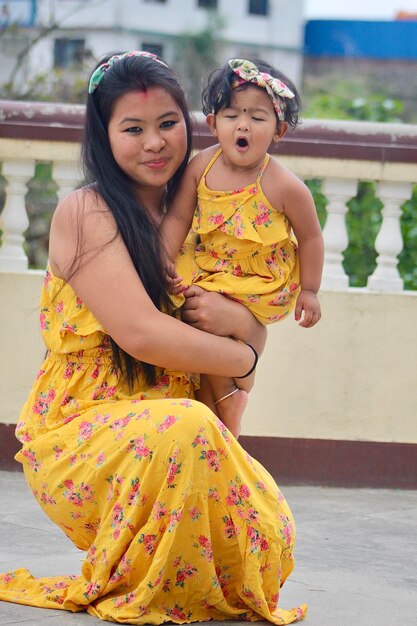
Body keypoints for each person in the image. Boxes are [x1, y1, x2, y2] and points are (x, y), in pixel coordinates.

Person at [0, 51, 307, 624]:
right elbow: (143, 335)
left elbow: (236, 335)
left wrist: (242, 342)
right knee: (184, 424)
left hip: (181, 431)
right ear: (103, 133)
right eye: (133, 128)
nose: (155, 143)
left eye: (168, 124)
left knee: (271, 534)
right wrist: (246, 352)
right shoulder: (86, 211)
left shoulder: (197, 217)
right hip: (84, 437)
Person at [160, 58, 324, 438]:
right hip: (209, 266)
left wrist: (311, 290)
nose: (244, 124)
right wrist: (161, 259)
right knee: (192, 325)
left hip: (257, 280)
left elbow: (311, 237)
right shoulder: (200, 165)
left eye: (258, 117)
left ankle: (235, 392)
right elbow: (178, 219)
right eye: (232, 114)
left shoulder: (285, 186)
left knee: (216, 328)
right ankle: (215, 404)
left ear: (279, 131)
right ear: (213, 123)